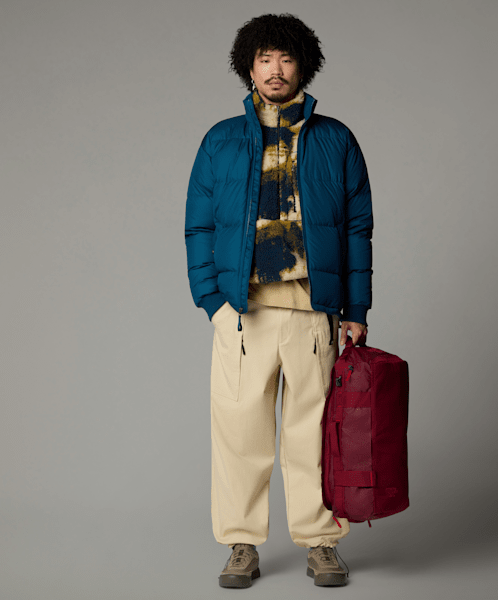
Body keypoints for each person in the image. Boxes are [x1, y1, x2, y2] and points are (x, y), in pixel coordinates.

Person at [185, 13, 373, 588]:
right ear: (249, 67)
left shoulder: (336, 140)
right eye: (264, 58)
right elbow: (198, 226)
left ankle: (321, 542)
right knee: (239, 434)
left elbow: (357, 229)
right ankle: (240, 543)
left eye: (285, 58)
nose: (275, 69)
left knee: (312, 433)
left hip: (314, 312)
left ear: (302, 67)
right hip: (242, 313)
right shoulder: (220, 141)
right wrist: (212, 300)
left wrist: (356, 310)